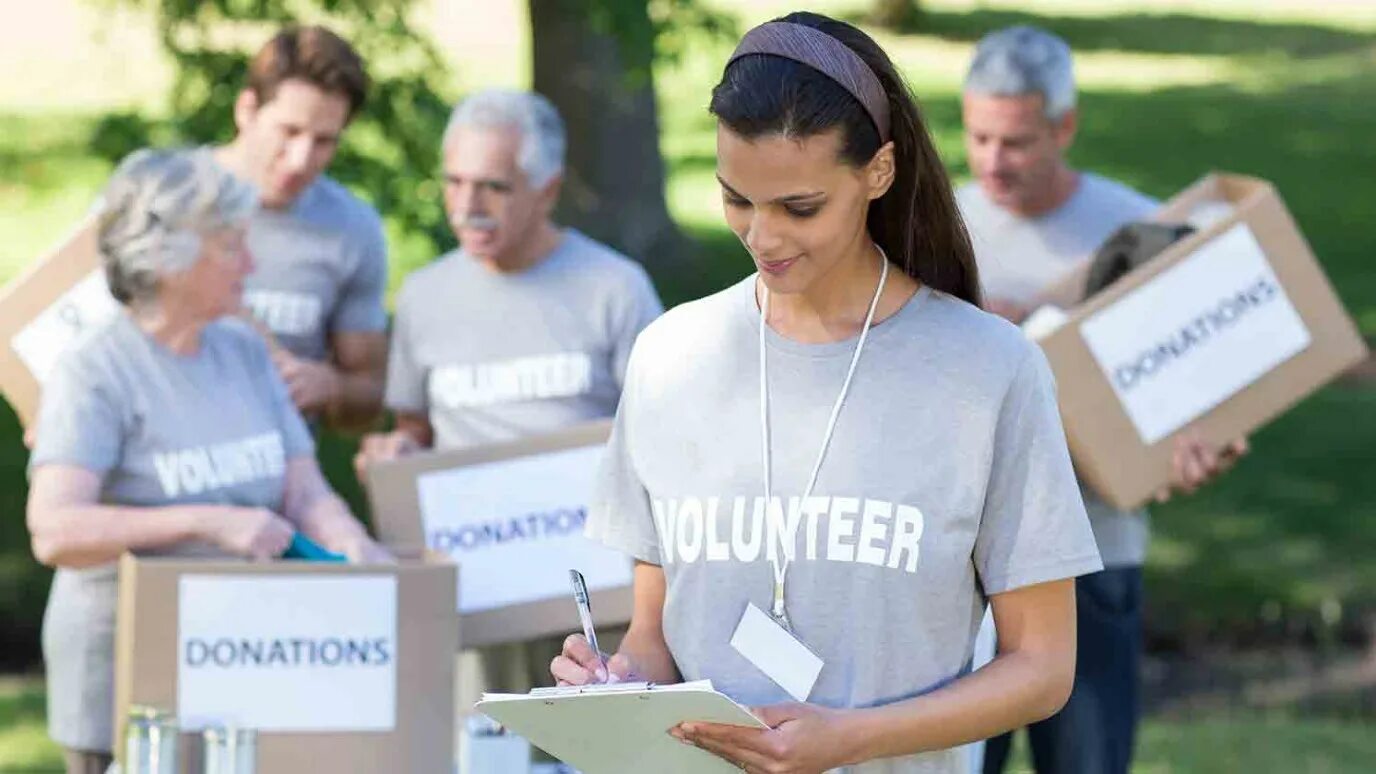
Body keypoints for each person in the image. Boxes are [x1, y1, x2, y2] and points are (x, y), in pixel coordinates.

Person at [552, 13, 1105, 773]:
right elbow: (655, 637)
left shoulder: (989, 372)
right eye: (736, 199)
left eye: (798, 208)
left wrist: (848, 738)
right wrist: (622, 684)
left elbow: (1043, 668)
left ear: (878, 172)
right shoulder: (669, 358)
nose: (762, 237)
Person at [26, 149, 390, 774]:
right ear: (170, 261)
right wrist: (209, 520)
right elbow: (55, 530)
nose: (251, 264)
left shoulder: (245, 349)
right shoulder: (94, 371)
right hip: (123, 684)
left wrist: (352, 544)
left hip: (240, 666)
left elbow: (302, 488)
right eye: (231, 247)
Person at [957, 26, 1247, 774]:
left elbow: (1201, 389)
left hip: (1093, 554)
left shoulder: (1145, 234)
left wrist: (1197, 445)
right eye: (979, 136)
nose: (992, 161)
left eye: (1015, 142)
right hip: (957, 560)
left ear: (1065, 126)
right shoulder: (933, 226)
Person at [353, 90, 662, 696]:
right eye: (454, 182)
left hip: (596, 598)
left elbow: (668, 439)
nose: (468, 206)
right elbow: (415, 430)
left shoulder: (615, 288)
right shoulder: (422, 296)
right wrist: (394, 457)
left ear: (546, 189)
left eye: (493, 186)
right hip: (478, 599)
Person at [210, 25, 388, 429]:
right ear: (247, 111)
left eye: (324, 141)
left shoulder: (352, 230)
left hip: (280, 475)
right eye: (288, 132)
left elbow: (370, 394)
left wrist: (331, 386)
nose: (300, 159)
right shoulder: (163, 198)